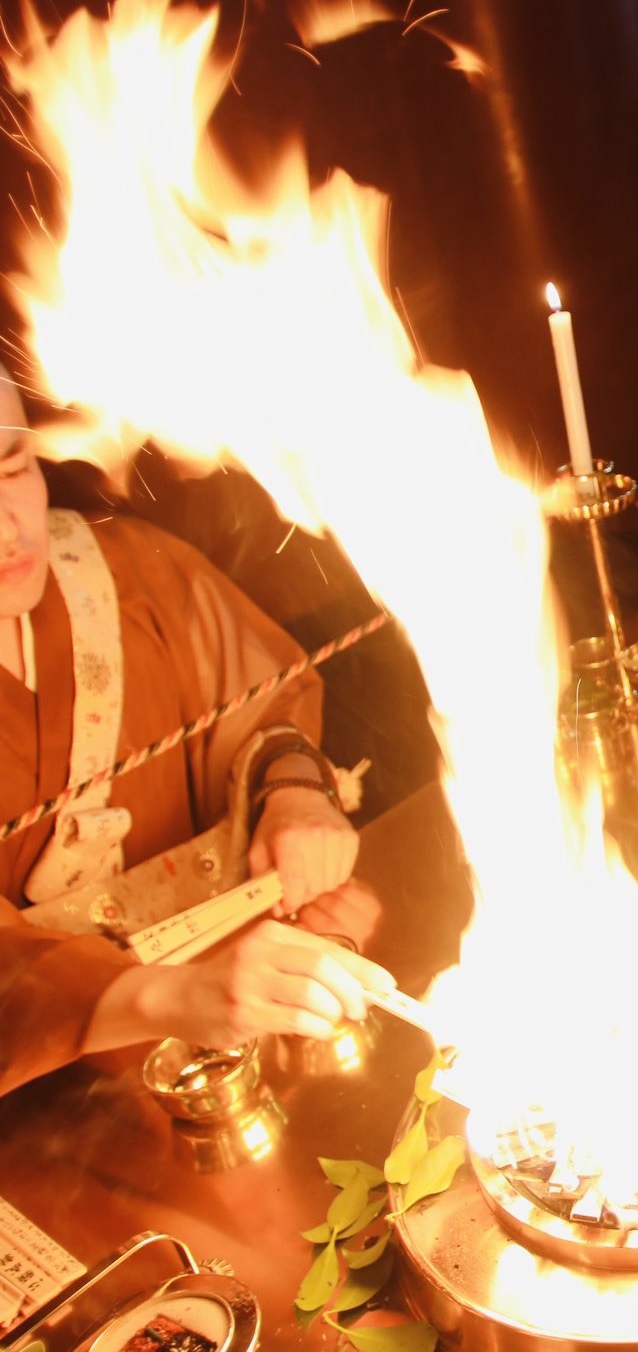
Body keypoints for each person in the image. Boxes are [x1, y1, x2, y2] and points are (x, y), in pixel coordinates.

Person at [1, 377, 391, 1095]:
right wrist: (174, 996)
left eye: (13, 469)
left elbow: (264, 709)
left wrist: (294, 795)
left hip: (257, 1017)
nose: (8, 530)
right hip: (51, 1107)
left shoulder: (128, 571)